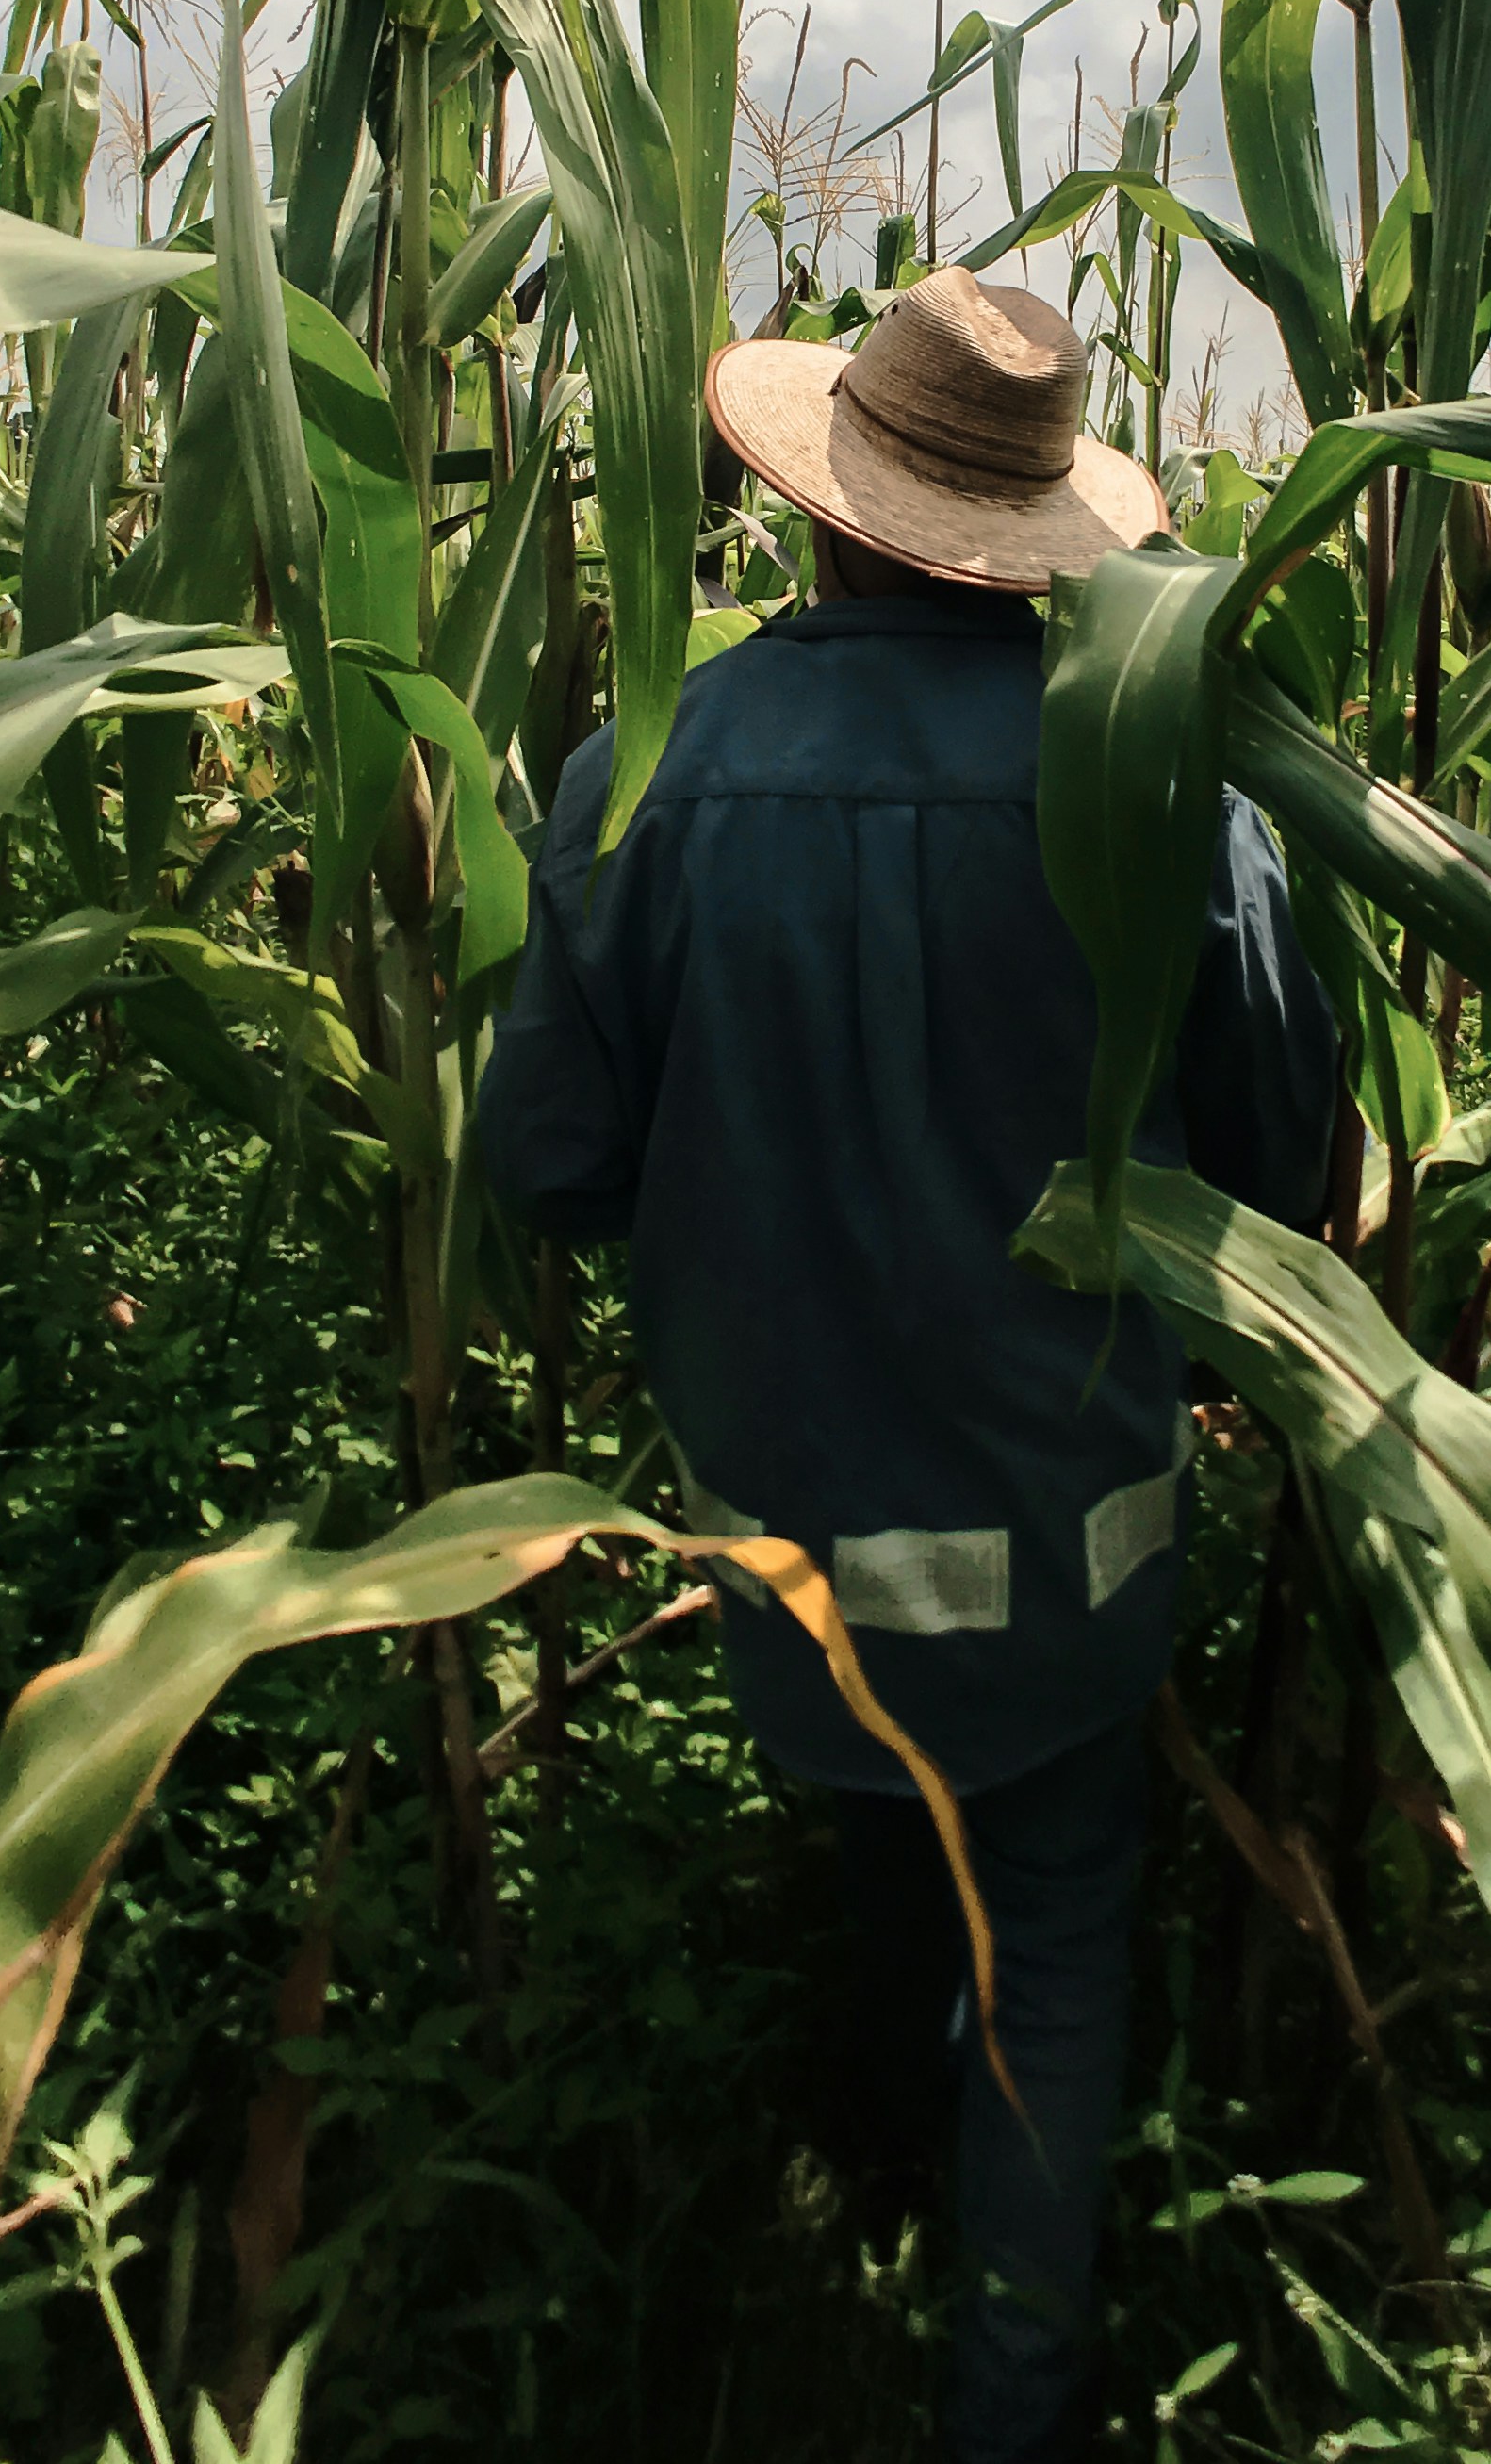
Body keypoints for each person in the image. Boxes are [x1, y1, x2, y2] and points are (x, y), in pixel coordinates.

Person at [478, 264, 1338, 2464]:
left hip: (801, 1574)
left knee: (887, 1847)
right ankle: (1007, 2404)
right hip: (1074, 1557)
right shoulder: (1156, 791)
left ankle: (866, 2189)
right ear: (1044, 526)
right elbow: (1284, 1180)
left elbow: (552, 1165)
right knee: (1046, 1960)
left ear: (821, 504)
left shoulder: (640, 775)